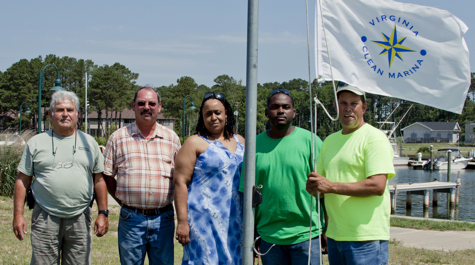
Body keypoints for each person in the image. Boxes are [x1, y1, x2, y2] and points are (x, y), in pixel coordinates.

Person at [12, 90, 108, 265]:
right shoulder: (36, 142)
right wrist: (18, 215)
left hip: (80, 215)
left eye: (70, 110)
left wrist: (103, 213)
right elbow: (22, 181)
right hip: (45, 215)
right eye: (60, 110)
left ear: (77, 114)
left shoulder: (89, 142)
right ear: (50, 114)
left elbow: (99, 180)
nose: (65, 114)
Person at [306, 82, 395, 265]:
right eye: (343, 103)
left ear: (364, 106)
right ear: (335, 106)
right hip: (335, 235)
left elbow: (377, 185)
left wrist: (330, 186)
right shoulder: (330, 141)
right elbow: (321, 190)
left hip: (365, 237)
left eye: (353, 103)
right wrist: (314, 187)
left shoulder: (375, 138)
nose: (348, 109)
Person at [239, 89, 325, 265]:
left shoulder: (311, 141)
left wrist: (327, 229)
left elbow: (326, 189)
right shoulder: (254, 146)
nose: (280, 111)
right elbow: (248, 196)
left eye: (286, 107)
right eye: (275, 107)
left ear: (293, 112)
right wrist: (252, 231)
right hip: (269, 236)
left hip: (307, 234)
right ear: (266, 112)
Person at [103, 87, 181, 265]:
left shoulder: (172, 139)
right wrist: (123, 200)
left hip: (164, 219)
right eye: (142, 103)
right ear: (133, 105)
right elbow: (107, 175)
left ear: (159, 107)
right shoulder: (118, 138)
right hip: (131, 219)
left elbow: (180, 179)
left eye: (152, 103)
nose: (147, 107)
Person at [174, 92, 245, 265]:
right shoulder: (194, 143)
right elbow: (180, 183)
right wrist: (182, 222)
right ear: (202, 117)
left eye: (218, 112)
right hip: (203, 222)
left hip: (235, 220)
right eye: (208, 114)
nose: (213, 117)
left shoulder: (241, 140)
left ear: (226, 114)